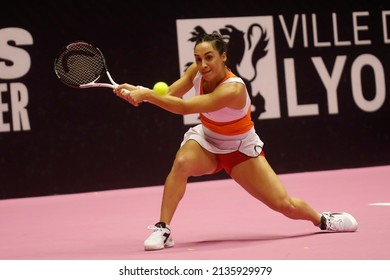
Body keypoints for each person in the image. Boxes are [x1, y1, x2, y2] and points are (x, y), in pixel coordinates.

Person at [113, 32, 358, 251]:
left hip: (240, 149)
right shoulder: (195, 72)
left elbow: (186, 106)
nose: (203, 64)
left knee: (285, 205)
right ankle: (163, 228)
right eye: (198, 59)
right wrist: (139, 90)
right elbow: (171, 93)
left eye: (209, 57)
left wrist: (145, 95)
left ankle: (323, 220)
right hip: (206, 141)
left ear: (223, 57)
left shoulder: (233, 89)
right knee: (182, 163)